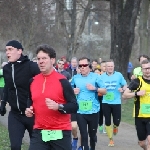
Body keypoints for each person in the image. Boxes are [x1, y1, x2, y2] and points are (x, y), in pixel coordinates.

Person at [25, 44, 78, 150]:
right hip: (39, 132)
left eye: (44, 58)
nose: (41, 61)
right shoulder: (33, 81)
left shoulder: (62, 81)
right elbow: (30, 99)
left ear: (52, 60)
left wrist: (59, 107)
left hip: (60, 132)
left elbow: (74, 106)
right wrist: (29, 109)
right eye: (39, 59)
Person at [0, 40, 40, 150]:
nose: (7, 52)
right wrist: (3, 103)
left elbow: (42, 84)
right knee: (15, 146)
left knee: (36, 146)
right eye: (6, 50)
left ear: (19, 51)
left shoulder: (31, 66)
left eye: (10, 49)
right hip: (15, 114)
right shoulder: (7, 68)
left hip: (32, 113)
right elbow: (8, 87)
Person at [71, 57, 106, 150]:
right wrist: (73, 91)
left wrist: (95, 89)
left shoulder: (96, 77)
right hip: (80, 111)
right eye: (80, 65)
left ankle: (93, 147)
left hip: (93, 111)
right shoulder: (75, 78)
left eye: (84, 65)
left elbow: (105, 91)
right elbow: (68, 90)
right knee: (84, 135)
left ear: (89, 66)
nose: (82, 67)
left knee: (92, 135)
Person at [122, 59, 150, 150]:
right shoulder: (137, 82)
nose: (147, 70)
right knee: (142, 143)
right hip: (140, 115)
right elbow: (125, 95)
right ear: (141, 70)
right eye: (145, 69)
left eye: (149, 68)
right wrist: (136, 93)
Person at [100, 60, 127, 147]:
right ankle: (110, 139)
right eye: (108, 66)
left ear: (114, 67)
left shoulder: (119, 75)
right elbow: (98, 87)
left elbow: (125, 85)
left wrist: (122, 89)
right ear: (106, 67)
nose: (110, 68)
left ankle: (115, 127)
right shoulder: (102, 77)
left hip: (116, 102)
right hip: (105, 102)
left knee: (117, 121)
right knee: (107, 121)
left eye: (111, 66)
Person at [66, 57, 79, 150]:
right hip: (74, 104)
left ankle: (83, 146)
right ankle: (75, 139)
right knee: (73, 127)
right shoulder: (71, 76)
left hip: (86, 107)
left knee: (83, 129)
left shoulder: (91, 78)